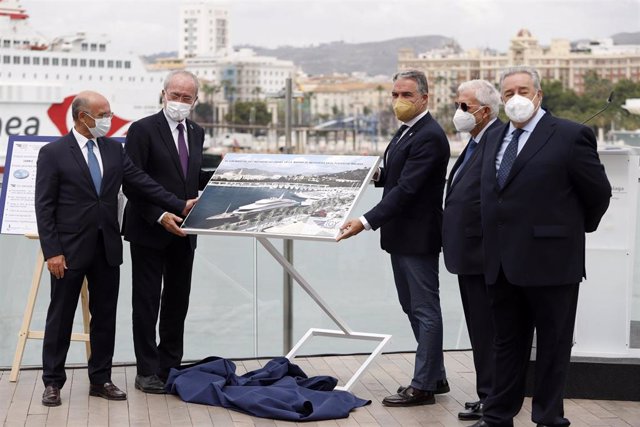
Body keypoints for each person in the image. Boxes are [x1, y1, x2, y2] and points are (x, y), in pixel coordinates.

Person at [471, 66, 611, 427]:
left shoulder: (569, 135)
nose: (515, 98)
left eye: (522, 90)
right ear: (500, 100)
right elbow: (491, 195)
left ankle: (549, 418)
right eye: (507, 93)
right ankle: (498, 416)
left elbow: (597, 193)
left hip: (552, 262)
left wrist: (567, 232)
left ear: (539, 94)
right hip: (501, 262)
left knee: (552, 347)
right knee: (506, 344)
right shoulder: (492, 137)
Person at [35, 91, 194, 407]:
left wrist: (178, 203)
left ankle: (100, 379)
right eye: (103, 114)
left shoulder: (113, 149)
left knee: (105, 316)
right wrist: (52, 251)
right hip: (67, 250)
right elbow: (44, 206)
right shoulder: (53, 153)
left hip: (106, 246)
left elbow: (140, 182)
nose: (108, 119)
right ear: (84, 117)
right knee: (60, 316)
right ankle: (53, 382)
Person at [337, 70, 450, 406]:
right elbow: (394, 176)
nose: (399, 101)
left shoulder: (429, 135)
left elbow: (408, 189)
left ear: (425, 98)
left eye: (407, 95)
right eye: (395, 95)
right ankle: (435, 375)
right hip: (401, 236)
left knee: (425, 309)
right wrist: (370, 173)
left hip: (418, 236)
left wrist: (366, 220)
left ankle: (424, 385)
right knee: (411, 306)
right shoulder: (406, 132)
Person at [123, 70, 213, 393]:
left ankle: (170, 365)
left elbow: (192, 176)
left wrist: (228, 179)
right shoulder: (142, 130)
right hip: (149, 228)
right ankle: (146, 371)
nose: (179, 102)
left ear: (195, 101)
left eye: (186, 98)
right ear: (163, 94)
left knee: (178, 301)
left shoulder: (197, 132)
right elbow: (131, 180)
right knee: (146, 303)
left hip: (185, 233)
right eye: (174, 95)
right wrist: (163, 212)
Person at [442, 79, 502, 421]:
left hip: (485, 254)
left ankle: (494, 399)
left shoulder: (497, 141)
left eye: (464, 106)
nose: (458, 112)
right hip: (468, 254)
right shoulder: (476, 142)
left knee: (489, 329)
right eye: (457, 104)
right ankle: (487, 394)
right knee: (481, 329)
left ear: (486, 111)